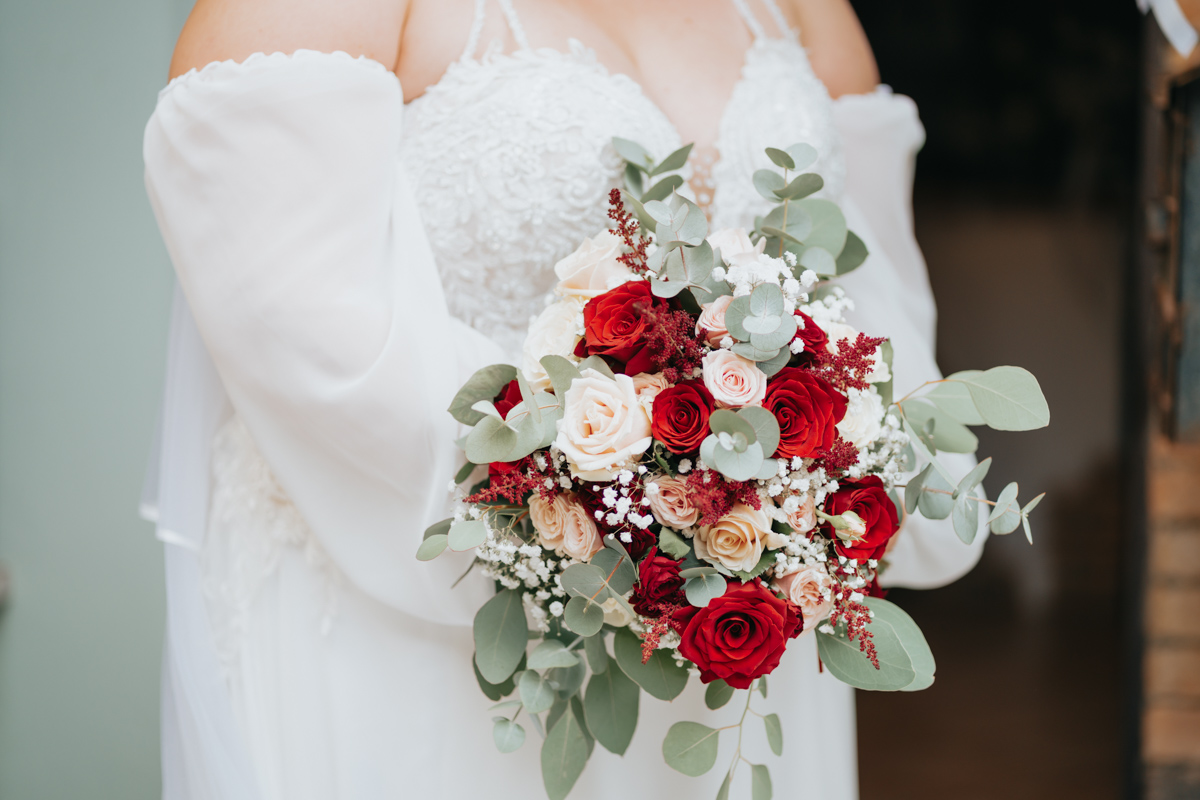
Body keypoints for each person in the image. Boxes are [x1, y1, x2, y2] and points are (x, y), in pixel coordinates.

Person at [141, 1, 986, 797]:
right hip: (435, 614)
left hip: (738, 639)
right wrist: (630, 507)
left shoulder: (803, 8)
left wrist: (801, 489)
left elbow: (869, 304)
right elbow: (292, 319)